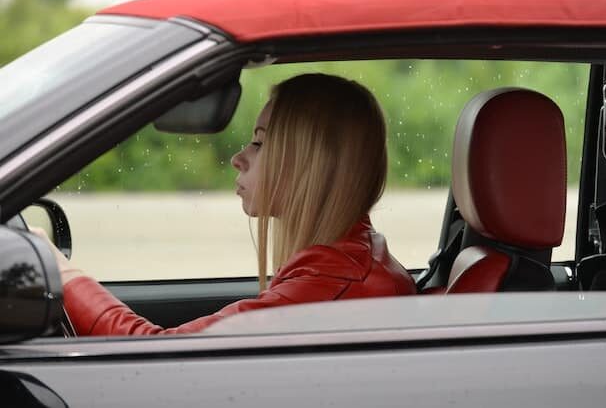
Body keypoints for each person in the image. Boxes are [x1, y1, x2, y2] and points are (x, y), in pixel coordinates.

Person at [35, 73, 417, 336]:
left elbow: (156, 354)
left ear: (309, 162)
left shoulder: (330, 284)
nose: (238, 158)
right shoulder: (349, 264)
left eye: (260, 142)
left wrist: (59, 271)